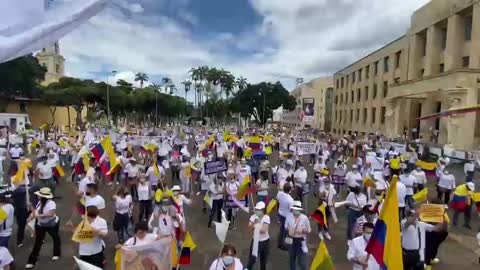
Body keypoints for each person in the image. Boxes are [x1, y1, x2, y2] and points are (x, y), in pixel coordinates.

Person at [26, 187, 61, 269]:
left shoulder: (51, 203)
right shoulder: (39, 203)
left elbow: (51, 214)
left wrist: (39, 215)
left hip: (51, 225)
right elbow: (35, 213)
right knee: (38, 242)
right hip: (41, 225)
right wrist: (31, 211)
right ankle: (32, 261)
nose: (38, 196)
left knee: (55, 238)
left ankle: (56, 253)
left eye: (39, 195)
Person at [285, 201, 311, 270]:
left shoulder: (304, 218)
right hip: (291, 240)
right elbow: (286, 226)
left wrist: (302, 231)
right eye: (294, 209)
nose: (295, 211)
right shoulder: (288, 216)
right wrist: (289, 229)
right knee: (292, 259)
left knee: (302, 261)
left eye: (297, 210)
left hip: (301, 240)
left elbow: (308, 230)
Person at [245, 202, 270, 270]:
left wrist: (258, 225)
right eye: (256, 209)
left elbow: (264, 230)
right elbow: (249, 228)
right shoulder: (253, 217)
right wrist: (254, 223)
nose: (257, 211)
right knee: (252, 259)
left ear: (263, 210)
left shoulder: (266, 217)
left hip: (264, 241)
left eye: (259, 210)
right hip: (255, 241)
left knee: (263, 260)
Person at [11, 183, 29, 247]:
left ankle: (19, 241)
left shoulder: (15, 191)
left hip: (19, 210)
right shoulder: (27, 190)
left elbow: (12, 197)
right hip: (25, 209)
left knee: (21, 226)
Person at [277, 183, 294, 250]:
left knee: (282, 229)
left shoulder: (279, 194)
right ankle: (282, 244)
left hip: (280, 213)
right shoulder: (290, 200)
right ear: (290, 190)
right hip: (286, 216)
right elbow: (291, 209)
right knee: (285, 230)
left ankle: (281, 242)